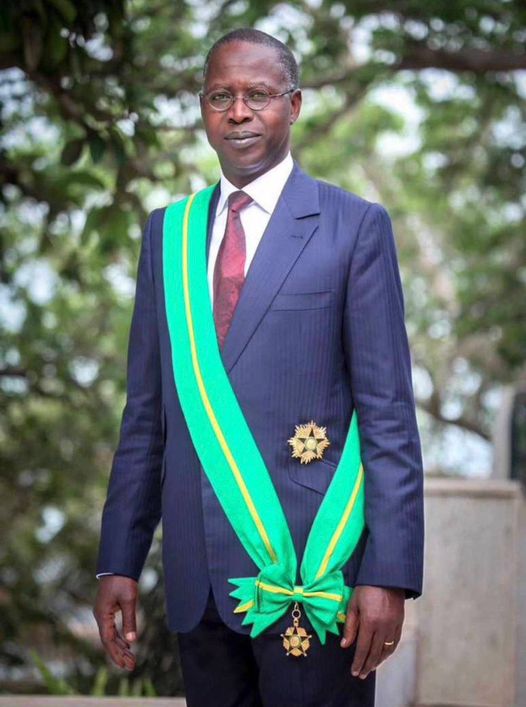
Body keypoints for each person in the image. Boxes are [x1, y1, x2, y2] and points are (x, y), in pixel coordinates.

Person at [93, 27, 425, 707]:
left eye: (258, 95)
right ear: (203, 109)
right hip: (199, 577)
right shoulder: (168, 235)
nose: (238, 112)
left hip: (314, 569)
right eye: (221, 97)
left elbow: (388, 414)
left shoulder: (353, 226)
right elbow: (146, 416)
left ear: (293, 105)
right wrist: (118, 558)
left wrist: (389, 573)